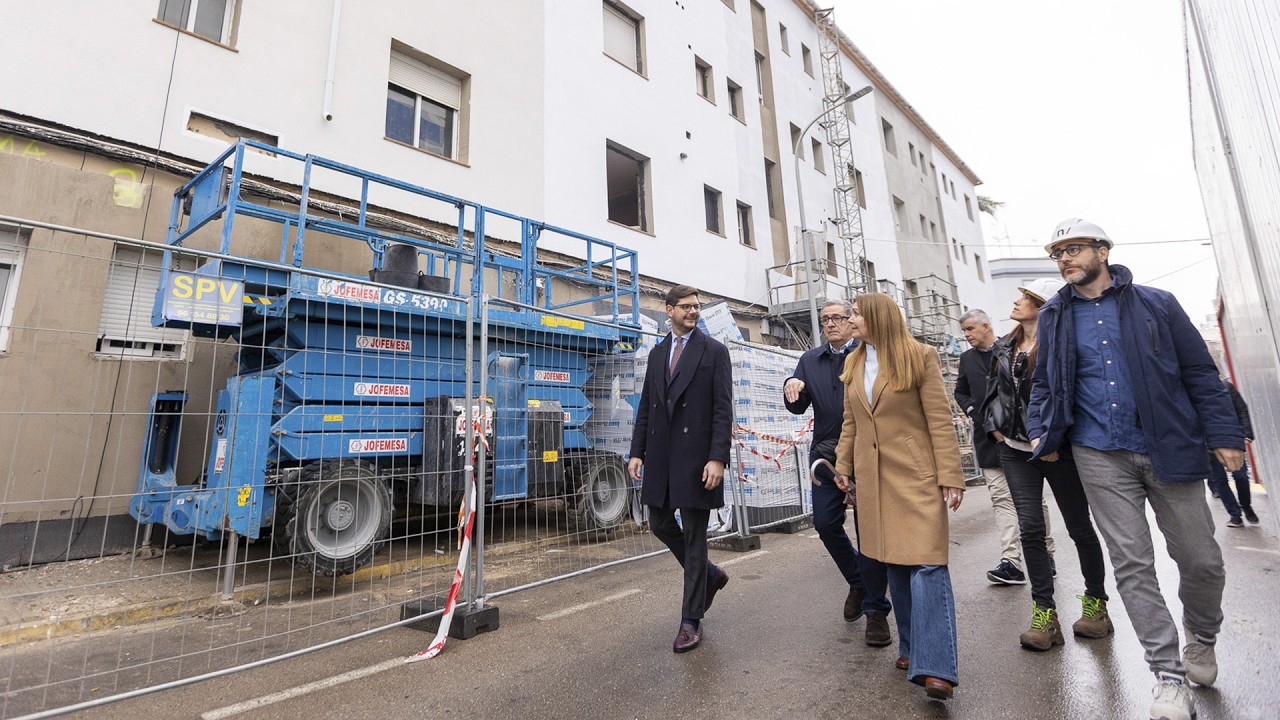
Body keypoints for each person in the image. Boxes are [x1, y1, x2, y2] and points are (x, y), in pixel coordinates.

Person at [1027, 218, 1245, 720]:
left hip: (1169, 447)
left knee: (1201, 560)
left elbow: (1199, 373)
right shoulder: (1056, 313)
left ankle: (1202, 639)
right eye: (1058, 253)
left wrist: (1227, 435)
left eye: (1075, 249)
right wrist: (1042, 429)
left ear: (1103, 251)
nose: (1065, 259)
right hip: (1098, 452)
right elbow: (1044, 383)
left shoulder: (1156, 303)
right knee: (1132, 564)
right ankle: (1167, 676)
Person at [833, 292, 965, 701]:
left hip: (916, 476)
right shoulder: (853, 362)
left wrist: (950, 474)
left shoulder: (919, 355)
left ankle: (938, 667)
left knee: (927, 564)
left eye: (855, 313)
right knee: (894, 563)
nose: (850, 319)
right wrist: (841, 467)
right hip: (873, 481)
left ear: (877, 317)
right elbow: (851, 422)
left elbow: (940, 420)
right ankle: (910, 648)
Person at [981, 278, 1112, 651]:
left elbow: (1075, 395)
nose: (1017, 301)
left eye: (1026, 298)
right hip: (1016, 451)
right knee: (1031, 530)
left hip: (1060, 451)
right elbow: (994, 393)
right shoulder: (1005, 346)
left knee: (1079, 528)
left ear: (1044, 306)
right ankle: (1044, 614)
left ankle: (1096, 605)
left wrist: (1054, 440)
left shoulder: (1061, 345)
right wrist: (995, 429)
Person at [628, 285, 733, 653]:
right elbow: (646, 407)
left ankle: (691, 621)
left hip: (697, 459)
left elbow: (723, 409)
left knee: (693, 537)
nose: (693, 312)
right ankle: (709, 575)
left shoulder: (714, 352)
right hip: (660, 457)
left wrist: (718, 457)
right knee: (658, 522)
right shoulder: (657, 354)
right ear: (668, 310)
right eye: (686, 307)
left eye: (697, 307)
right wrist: (636, 451)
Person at [784, 300, 893, 647]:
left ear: (852, 321)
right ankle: (858, 580)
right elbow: (798, 406)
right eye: (825, 319)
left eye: (838, 318)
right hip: (827, 456)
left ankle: (876, 611)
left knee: (869, 530)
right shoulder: (810, 360)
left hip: (869, 450)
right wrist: (791, 387)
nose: (830, 324)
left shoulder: (867, 355)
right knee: (825, 523)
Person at [955, 309, 1056, 586]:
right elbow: (960, 392)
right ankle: (1011, 561)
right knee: (1002, 500)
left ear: (986, 326)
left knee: (1033, 501)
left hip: (1019, 437)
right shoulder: (966, 360)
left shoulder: (1009, 350)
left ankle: (1045, 553)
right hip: (989, 442)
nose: (967, 335)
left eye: (970, 329)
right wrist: (978, 414)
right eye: (964, 331)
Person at [1208, 378, 1258, 527]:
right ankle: (1234, 514)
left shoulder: (1225, 387)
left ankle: (1246, 506)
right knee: (1220, 480)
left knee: (1241, 476)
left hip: (1231, 439)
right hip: (1208, 443)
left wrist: (1247, 434)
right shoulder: (1189, 391)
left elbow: (1241, 408)